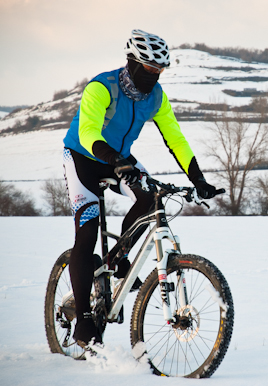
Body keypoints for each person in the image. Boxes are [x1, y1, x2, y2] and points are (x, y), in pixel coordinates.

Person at [62, 29, 219, 347]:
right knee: (88, 230)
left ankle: (118, 259)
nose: (154, 75)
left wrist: (198, 179)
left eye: (160, 70)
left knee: (152, 199)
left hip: (119, 159)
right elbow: (89, 130)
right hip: (83, 155)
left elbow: (174, 137)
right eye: (149, 68)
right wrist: (114, 160)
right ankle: (83, 317)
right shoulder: (101, 87)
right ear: (132, 62)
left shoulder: (156, 97)